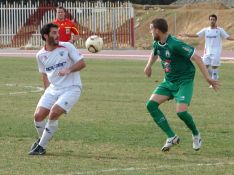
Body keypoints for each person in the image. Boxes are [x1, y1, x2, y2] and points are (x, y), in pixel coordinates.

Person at [144, 18, 219, 152]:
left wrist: (208, 77)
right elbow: (155, 52)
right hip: (169, 81)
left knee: (181, 112)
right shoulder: (157, 42)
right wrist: (149, 65)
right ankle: (171, 137)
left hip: (184, 81)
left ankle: (196, 134)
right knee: (151, 105)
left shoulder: (175, 44)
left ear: (157, 30)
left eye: (151, 29)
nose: (150, 32)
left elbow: (197, 57)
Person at [28, 23, 86, 155]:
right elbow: (44, 74)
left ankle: (41, 146)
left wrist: (69, 69)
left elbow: (82, 63)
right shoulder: (40, 55)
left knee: (54, 113)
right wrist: (46, 91)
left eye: (57, 32)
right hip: (53, 89)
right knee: (38, 116)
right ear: (45, 36)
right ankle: (45, 138)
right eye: (54, 33)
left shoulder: (67, 46)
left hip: (71, 88)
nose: (57, 35)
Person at [180, 14, 234, 84]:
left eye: (213, 20)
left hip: (216, 51)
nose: (212, 21)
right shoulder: (206, 30)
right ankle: (214, 76)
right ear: (209, 20)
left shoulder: (220, 30)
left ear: (216, 20)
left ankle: (214, 81)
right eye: (211, 19)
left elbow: (227, 37)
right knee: (205, 66)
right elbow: (196, 35)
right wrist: (186, 34)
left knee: (214, 66)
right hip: (207, 51)